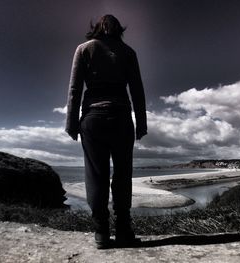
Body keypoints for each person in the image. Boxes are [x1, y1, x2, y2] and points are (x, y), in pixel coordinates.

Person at [65, 14, 147, 249]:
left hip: (93, 118)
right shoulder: (129, 52)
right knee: (123, 175)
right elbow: (137, 91)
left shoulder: (84, 49)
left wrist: (71, 124)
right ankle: (123, 230)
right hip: (122, 117)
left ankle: (101, 232)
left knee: (96, 175)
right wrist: (141, 124)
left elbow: (74, 89)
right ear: (119, 30)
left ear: (97, 29)